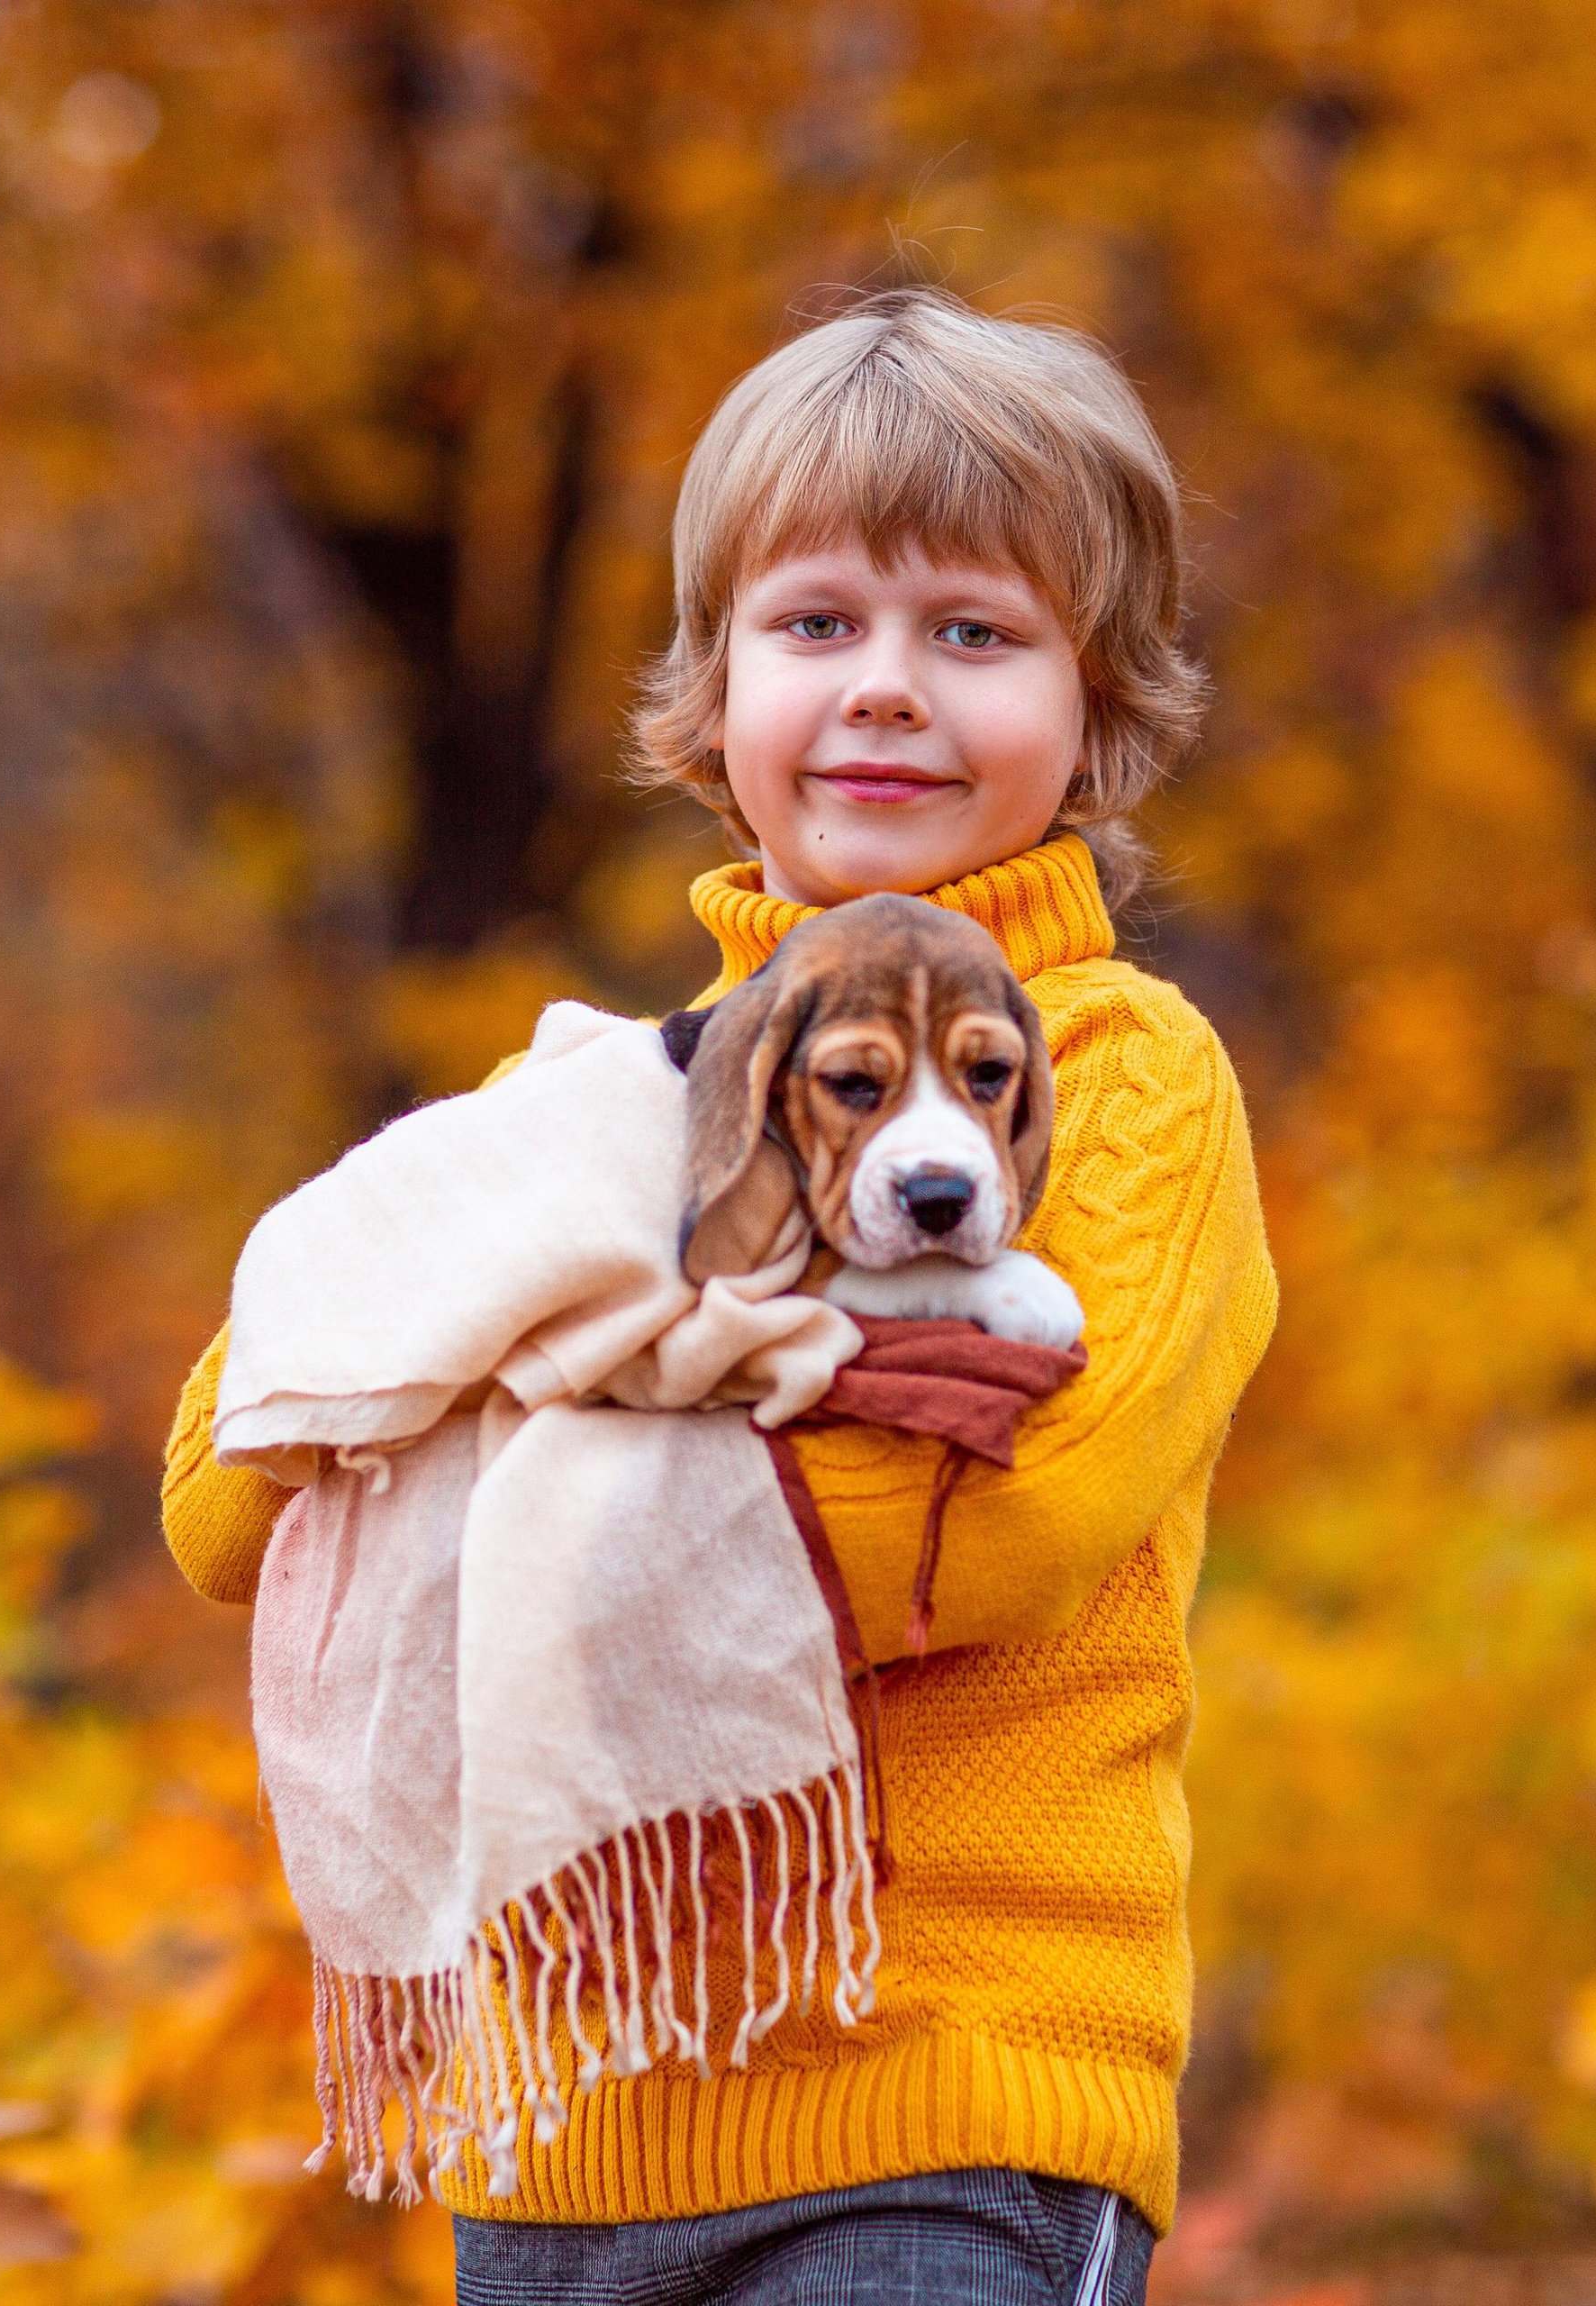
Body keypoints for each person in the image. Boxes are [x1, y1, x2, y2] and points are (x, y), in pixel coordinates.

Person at [159, 284, 1278, 2305]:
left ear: (1093, 709)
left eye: (973, 631)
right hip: (567, 2116)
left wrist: (508, 1469)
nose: (885, 689)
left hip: (944, 2100)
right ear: (713, 693)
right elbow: (235, 1480)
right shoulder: (595, 1097)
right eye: (817, 623)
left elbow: (1003, 1509)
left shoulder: (1124, 1074)